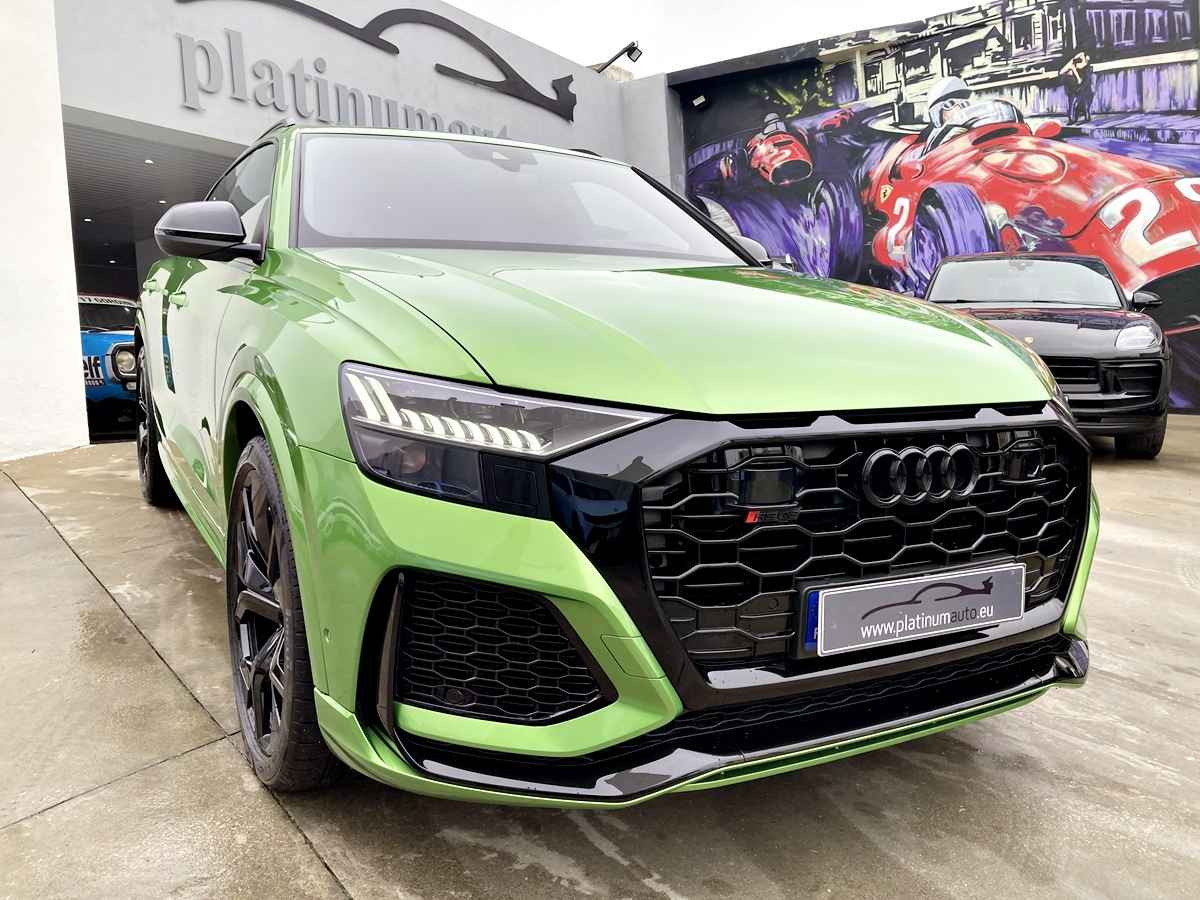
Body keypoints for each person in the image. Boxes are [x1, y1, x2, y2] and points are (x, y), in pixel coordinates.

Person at [1059, 50, 1093, 124]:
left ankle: (1082, 116)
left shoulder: (1086, 66)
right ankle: (1073, 118)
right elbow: (1063, 72)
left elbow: (1084, 79)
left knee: (1079, 99)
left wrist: (1078, 78)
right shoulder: (1074, 65)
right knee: (1073, 100)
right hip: (1073, 84)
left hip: (1079, 85)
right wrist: (1077, 77)